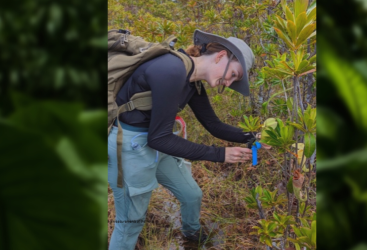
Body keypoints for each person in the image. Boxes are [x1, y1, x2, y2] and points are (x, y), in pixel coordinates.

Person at [107, 29, 256, 249]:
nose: (229, 82)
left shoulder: (192, 81)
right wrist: (220, 154)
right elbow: (159, 138)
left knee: (191, 194)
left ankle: (192, 237)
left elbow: (213, 125)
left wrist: (254, 136)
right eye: (233, 74)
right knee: (130, 223)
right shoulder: (171, 70)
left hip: (154, 142)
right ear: (221, 55)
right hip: (131, 147)